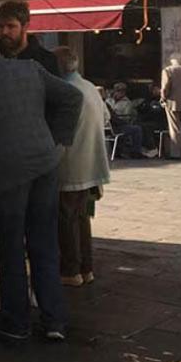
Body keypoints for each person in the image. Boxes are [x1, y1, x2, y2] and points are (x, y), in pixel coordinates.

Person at [0, 31, 82, 345]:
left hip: (6, 171)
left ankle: (16, 322)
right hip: (44, 164)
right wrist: (60, 141)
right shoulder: (30, 69)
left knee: (11, 247)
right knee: (44, 243)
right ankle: (55, 321)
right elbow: (72, 97)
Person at [53, 47, 109, 287]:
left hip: (71, 163)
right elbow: (106, 118)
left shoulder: (65, 91)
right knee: (81, 217)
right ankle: (86, 268)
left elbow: (58, 132)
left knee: (66, 218)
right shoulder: (89, 87)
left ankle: (70, 270)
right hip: (91, 162)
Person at [0, 0, 60, 75]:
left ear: (25, 26)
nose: (4, 32)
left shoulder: (45, 60)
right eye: (1, 26)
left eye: (11, 26)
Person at [104, 82, 148, 159]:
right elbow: (115, 118)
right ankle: (135, 152)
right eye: (116, 90)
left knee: (133, 127)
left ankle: (126, 151)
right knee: (137, 129)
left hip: (112, 125)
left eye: (121, 91)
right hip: (114, 126)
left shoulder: (127, 103)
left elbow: (127, 117)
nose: (118, 93)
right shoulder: (107, 102)